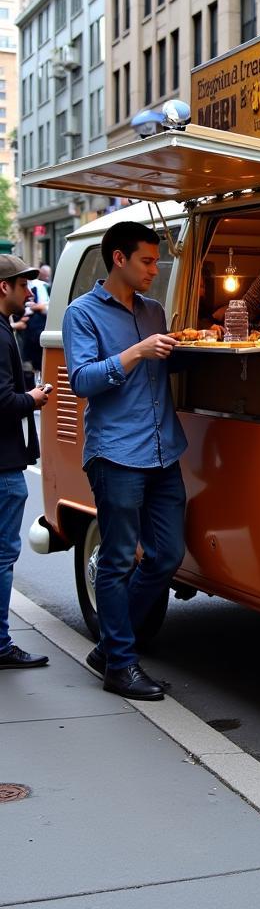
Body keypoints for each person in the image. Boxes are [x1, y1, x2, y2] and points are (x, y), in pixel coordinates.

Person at [63, 221, 188, 699]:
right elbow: (82, 381)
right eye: (148, 261)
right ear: (119, 258)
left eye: (156, 261)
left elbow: (165, 363)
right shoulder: (82, 313)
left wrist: (198, 342)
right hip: (116, 453)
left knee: (168, 556)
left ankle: (113, 647)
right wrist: (135, 352)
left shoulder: (154, 310)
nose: (155, 270)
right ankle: (120, 665)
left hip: (163, 450)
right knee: (116, 561)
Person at [0, 256, 51, 670]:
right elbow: (2, 402)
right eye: (23, 284)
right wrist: (33, 399)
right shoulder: (0, 336)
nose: (29, 292)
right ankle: (0, 644)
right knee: (3, 555)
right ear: (4, 287)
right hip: (2, 466)